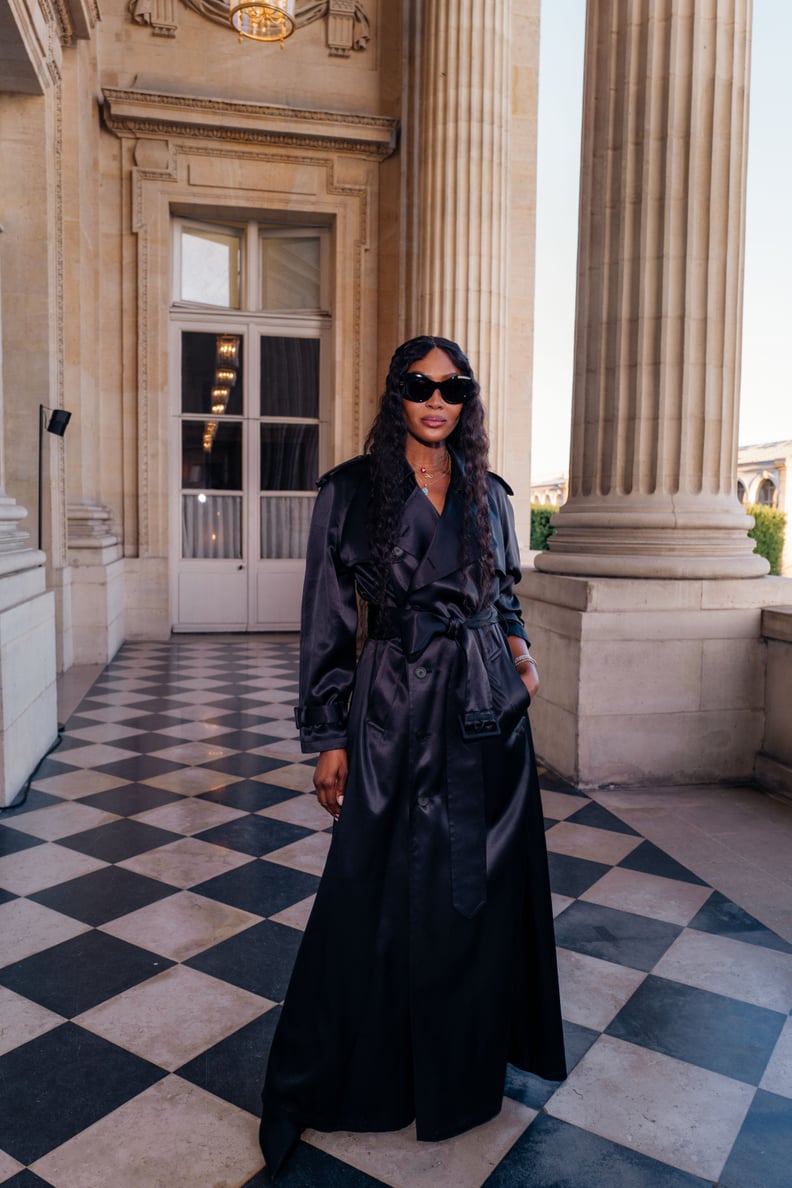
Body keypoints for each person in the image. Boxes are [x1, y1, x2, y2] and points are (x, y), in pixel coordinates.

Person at [259, 335, 566, 1179]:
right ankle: (366, 1076)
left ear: (467, 400)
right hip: (391, 708)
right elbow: (324, 624)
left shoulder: (491, 493)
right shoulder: (350, 491)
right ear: (396, 393)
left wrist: (523, 660)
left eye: (454, 386)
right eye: (420, 384)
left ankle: (463, 1078)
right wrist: (326, 737)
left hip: (484, 715)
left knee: (473, 894)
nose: (438, 399)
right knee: (374, 893)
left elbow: (505, 593)